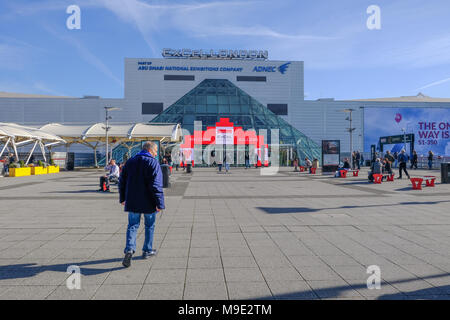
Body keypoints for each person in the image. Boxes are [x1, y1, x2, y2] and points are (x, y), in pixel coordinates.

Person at [119, 141, 165, 268]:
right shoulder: (153, 162)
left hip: (132, 200)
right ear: (150, 150)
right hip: (149, 201)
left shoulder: (130, 162)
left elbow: (122, 181)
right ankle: (147, 250)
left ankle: (129, 250)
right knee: (149, 225)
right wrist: (159, 203)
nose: (156, 154)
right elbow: (156, 185)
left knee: (133, 225)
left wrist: (123, 198)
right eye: (155, 152)